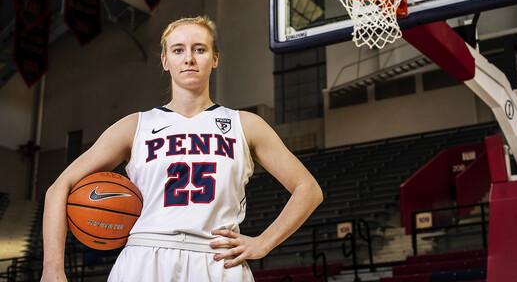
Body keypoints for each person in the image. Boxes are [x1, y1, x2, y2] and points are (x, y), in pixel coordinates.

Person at [41, 15, 323, 281]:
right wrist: (52, 270)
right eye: (178, 50)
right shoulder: (135, 126)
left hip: (217, 259)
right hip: (145, 257)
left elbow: (308, 190)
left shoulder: (245, 124)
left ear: (215, 59)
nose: (188, 58)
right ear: (165, 61)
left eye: (199, 49)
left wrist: (263, 243)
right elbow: (59, 187)